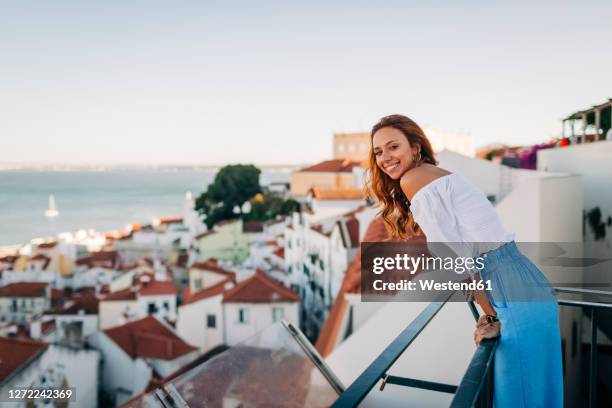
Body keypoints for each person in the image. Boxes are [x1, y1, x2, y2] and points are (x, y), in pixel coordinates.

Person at [365, 114, 563, 408]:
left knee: (518, 395)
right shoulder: (435, 173)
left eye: (393, 147)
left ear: (415, 148)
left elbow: (454, 255)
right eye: (378, 151)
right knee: (540, 391)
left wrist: (491, 314)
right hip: (524, 276)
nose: (385, 157)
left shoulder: (413, 178)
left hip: (504, 284)